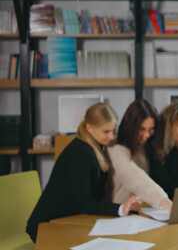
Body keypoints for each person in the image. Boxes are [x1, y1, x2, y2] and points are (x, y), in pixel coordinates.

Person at [26, 102, 140, 242]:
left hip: (70, 220)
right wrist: (120, 209)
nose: (111, 137)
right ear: (89, 128)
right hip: (47, 227)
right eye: (106, 132)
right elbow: (84, 203)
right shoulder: (80, 154)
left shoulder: (96, 147)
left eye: (113, 131)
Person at [108, 99, 172, 210]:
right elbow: (136, 179)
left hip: (139, 211)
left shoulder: (145, 147)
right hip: (117, 213)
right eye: (142, 129)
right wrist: (163, 201)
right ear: (131, 127)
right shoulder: (116, 150)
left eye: (151, 129)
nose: (146, 135)